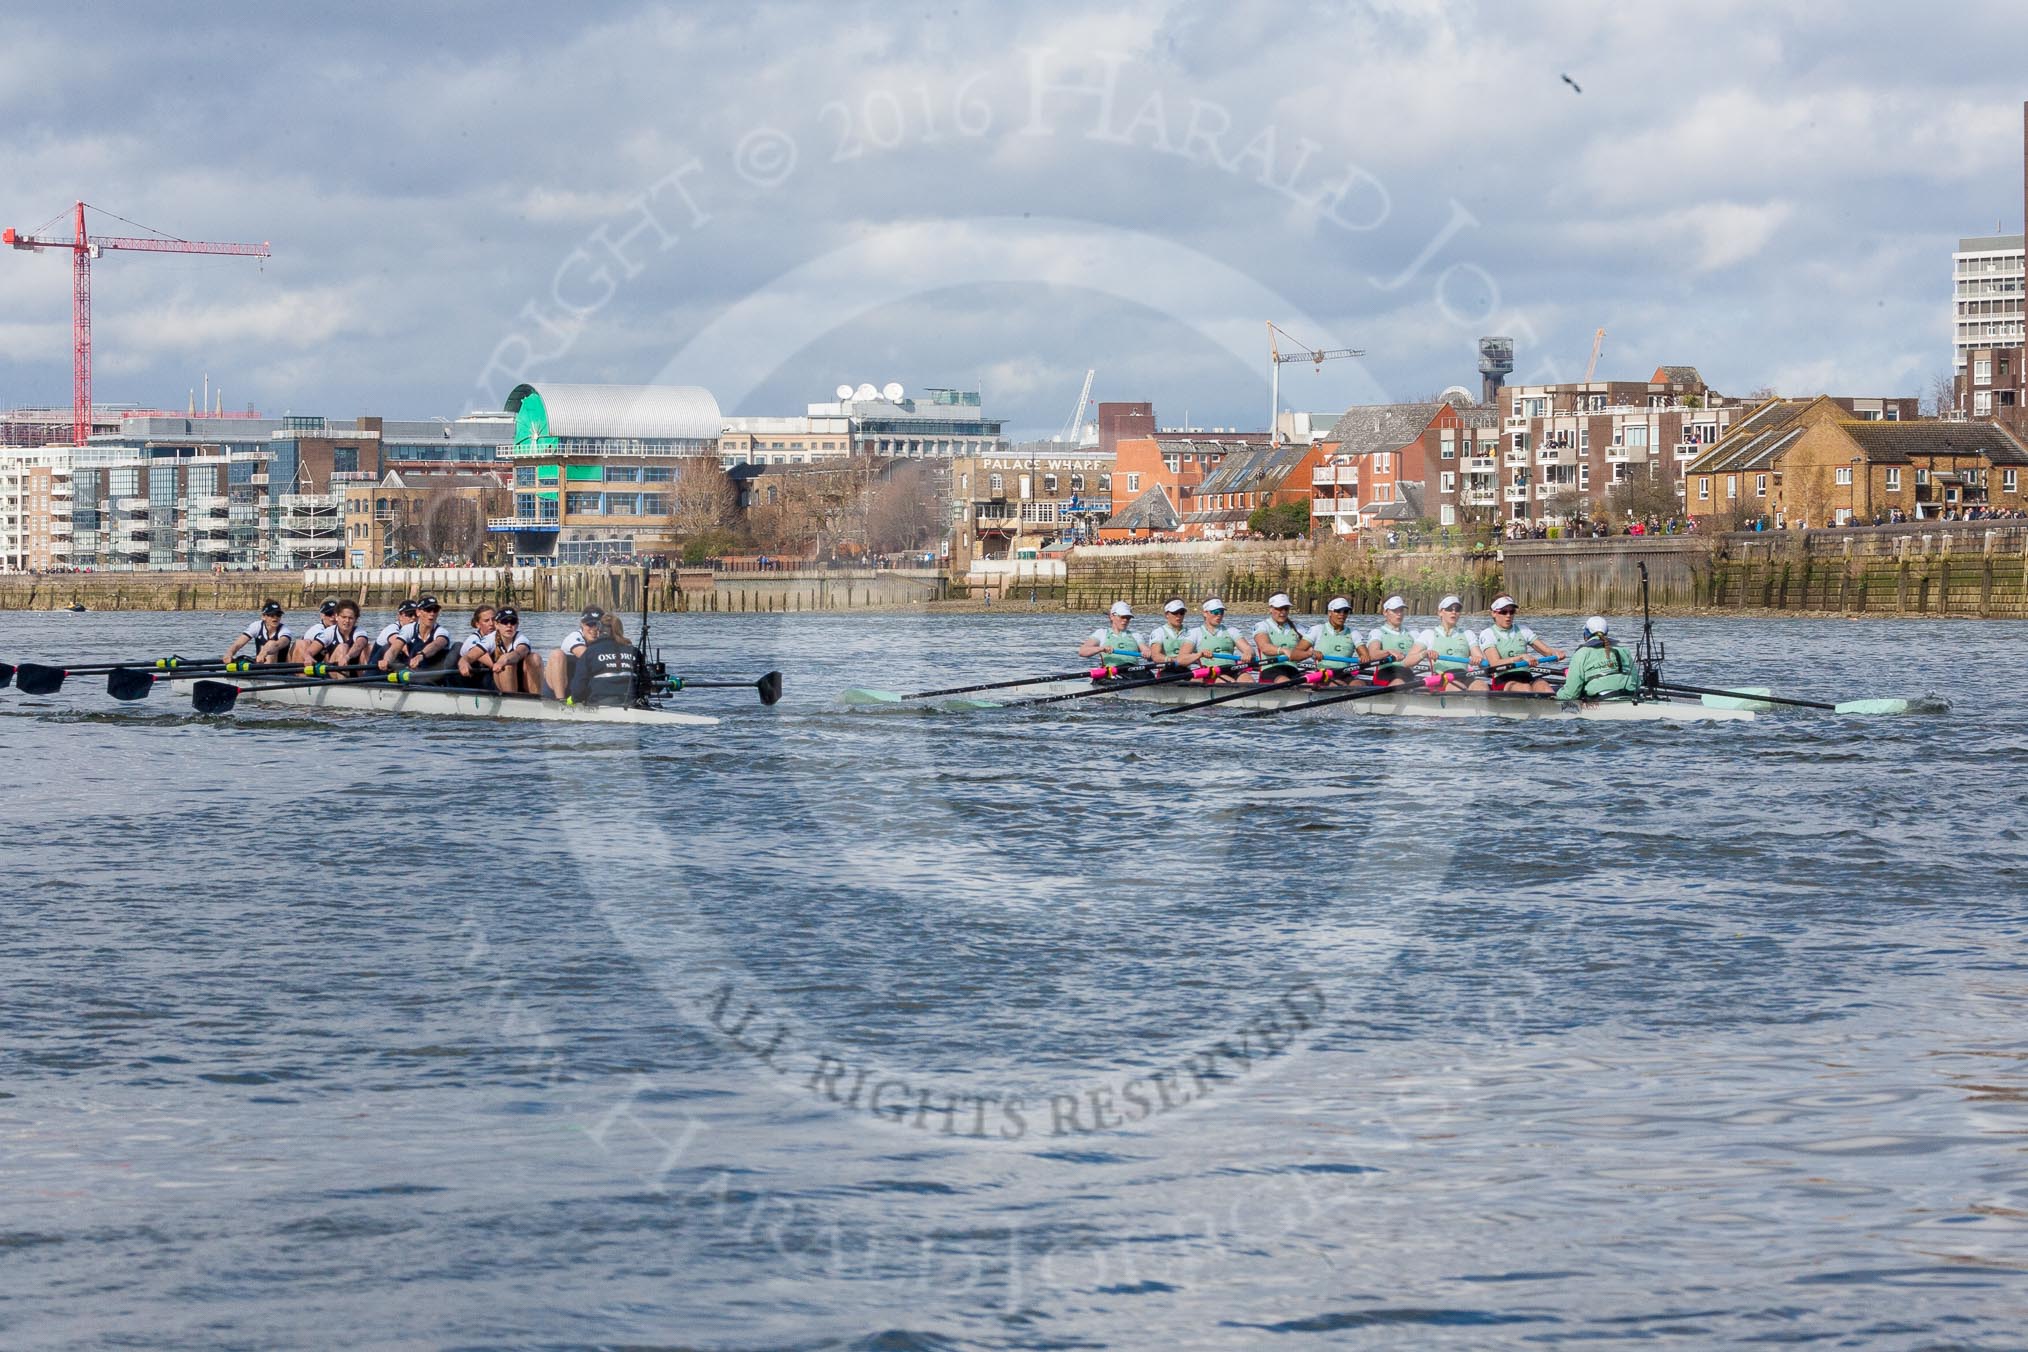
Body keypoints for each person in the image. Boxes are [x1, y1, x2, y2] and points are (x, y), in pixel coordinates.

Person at [1471, 595, 1565, 693]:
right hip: (1503, 679)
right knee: (1525, 688)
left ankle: (1552, 707)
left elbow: (1547, 652)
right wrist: (1520, 658)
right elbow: (1494, 663)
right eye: (1503, 612)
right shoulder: (1488, 633)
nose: (1508, 615)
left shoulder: (1523, 630)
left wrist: (1556, 653)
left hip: (1526, 677)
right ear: (1494, 613)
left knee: (1544, 686)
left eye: (1512, 612)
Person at [1556, 617, 1639, 703]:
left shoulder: (1581, 653)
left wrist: (1554, 696)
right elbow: (1637, 682)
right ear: (1607, 632)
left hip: (1601, 700)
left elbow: (1571, 694)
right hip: (1630, 696)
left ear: (1585, 634)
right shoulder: (1623, 649)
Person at [567, 612, 642, 706]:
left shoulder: (590, 652)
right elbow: (646, 683)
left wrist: (574, 699)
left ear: (599, 630)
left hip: (601, 704)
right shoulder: (634, 651)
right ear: (620, 630)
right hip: (632, 703)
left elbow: (579, 686)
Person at [1177, 597, 1254, 682]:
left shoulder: (1231, 631)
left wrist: (1248, 653)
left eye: (1222, 612)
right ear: (1205, 613)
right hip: (1211, 672)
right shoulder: (1195, 633)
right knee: (1229, 682)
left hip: (1233, 669)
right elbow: (1181, 659)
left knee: (1249, 680)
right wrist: (1199, 655)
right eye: (1216, 612)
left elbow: (1248, 648)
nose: (1219, 615)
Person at [1361, 595, 1427, 686]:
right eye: (1395, 610)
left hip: (1407, 674)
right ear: (1385, 612)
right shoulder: (1378, 633)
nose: (1399, 613)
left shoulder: (1413, 633)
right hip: (1386, 673)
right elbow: (1373, 654)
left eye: (1401, 610)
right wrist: (1389, 652)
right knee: (1399, 682)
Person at [1415, 594, 1475, 690]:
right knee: (1458, 688)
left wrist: (1478, 659)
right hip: (1442, 678)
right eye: (1449, 609)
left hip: (1465, 675)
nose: (1454, 612)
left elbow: (1478, 656)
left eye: (1457, 609)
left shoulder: (1468, 634)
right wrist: (1424, 654)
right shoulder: (1428, 634)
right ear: (1440, 612)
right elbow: (1407, 661)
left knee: (1481, 686)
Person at [1251, 592, 1314, 683]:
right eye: (1279, 608)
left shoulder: (1299, 629)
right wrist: (1283, 650)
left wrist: (1312, 653)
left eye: (1286, 608)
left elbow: (1310, 648)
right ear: (1271, 609)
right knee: (1285, 681)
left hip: (1292, 670)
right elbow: (1264, 647)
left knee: (1314, 681)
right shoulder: (1262, 626)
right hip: (1270, 670)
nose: (1283, 612)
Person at [546, 607, 606, 699]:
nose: (594, 629)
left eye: (598, 625)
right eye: (590, 624)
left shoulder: (605, 640)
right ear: (582, 624)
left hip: (579, 689)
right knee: (557, 654)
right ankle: (560, 701)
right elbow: (586, 656)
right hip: (561, 689)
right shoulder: (574, 637)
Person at [480, 607, 542, 694]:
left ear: (517, 624)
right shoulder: (488, 639)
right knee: (508, 667)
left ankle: (536, 698)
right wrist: (465, 661)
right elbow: (470, 655)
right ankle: (511, 703)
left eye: (512, 622)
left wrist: (505, 659)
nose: (509, 625)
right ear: (497, 625)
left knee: (534, 658)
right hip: (494, 680)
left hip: (518, 680)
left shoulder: (521, 638)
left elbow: (520, 651)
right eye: (505, 622)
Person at [383, 595, 450, 671]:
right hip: (415, 673)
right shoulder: (409, 629)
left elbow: (436, 644)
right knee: (386, 647)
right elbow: (394, 649)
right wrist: (386, 660)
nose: (432, 613)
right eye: (428, 609)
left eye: (436, 610)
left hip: (435, 676)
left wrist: (421, 655)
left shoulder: (442, 631)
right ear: (418, 612)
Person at [1307, 597, 1365, 684]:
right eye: (1338, 611)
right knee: (1337, 684)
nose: (1342, 614)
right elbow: (1297, 652)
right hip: (1323, 673)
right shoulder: (1317, 630)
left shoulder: (1353, 633)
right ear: (1330, 613)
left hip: (1345, 673)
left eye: (1345, 611)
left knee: (1360, 684)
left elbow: (1365, 656)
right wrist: (1311, 652)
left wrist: (1364, 657)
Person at [1079, 601, 1148, 673]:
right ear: (1112, 616)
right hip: (1111, 673)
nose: (1125, 620)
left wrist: (1147, 652)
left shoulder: (1135, 635)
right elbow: (1082, 651)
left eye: (1128, 618)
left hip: (1133, 671)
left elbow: (1145, 649)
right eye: (1122, 617)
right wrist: (1101, 649)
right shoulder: (1102, 633)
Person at [225, 600, 292, 665]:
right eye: (271, 615)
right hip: (261, 665)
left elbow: (277, 644)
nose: (275, 617)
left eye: (278, 615)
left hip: (280, 670)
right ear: (263, 616)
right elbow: (238, 644)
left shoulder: (284, 630)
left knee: (270, 649)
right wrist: (229, 654)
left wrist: (263, 653)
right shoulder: (256, 626)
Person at [455, 605, 498, 687]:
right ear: (477, 624)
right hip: (474, 680)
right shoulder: (472, 640)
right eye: (486, 621)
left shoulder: (499, 636)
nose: (491, 624)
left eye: (493, 619)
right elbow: (490, 662)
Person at [322, 600, 369, 673]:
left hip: (354, 673)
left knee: (369, 647)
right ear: (337, 617)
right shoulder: (329, 632)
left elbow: (360, 643)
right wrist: (308, 656)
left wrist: (347, 657)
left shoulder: (360, 631)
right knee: (343, 647)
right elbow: (314, 647)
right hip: (332, 673)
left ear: (355, 620)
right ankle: (342, 682)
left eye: (350, 618)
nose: (347, 621)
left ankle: (368, 681)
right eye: (344, 617)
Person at [291, 599, 343, 664]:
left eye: (335, 614)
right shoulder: (316, 629)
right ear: (322, 616)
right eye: (329, 614)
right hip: (309, 660)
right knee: (302, 643)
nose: (332, 617)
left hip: (324, 661)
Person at [371, 599, 420, 667]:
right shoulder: (392, 628)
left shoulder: (417, 630)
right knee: (390, 647)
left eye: (416, 615)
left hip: (396, 668)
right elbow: (401, 647)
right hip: (377, 669)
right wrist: (417, 658)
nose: (413, 617)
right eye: (410, 614)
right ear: (400, 616)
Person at [1145, 599, 1192, 668]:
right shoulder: (1159, 632)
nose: (1179, 616)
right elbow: (1155, 656)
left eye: (1182, 613)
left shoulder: (1190, 632)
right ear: (1167, 614)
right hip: (1166, 671)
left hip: (1186, 671)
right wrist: (1172, 660)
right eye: (1175, 612)